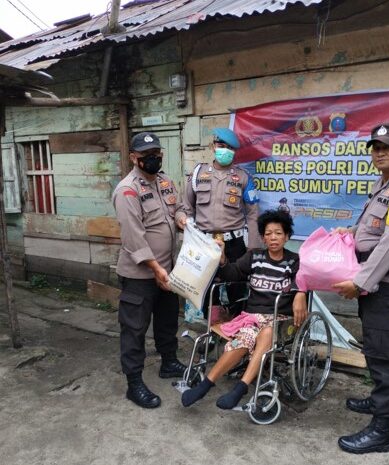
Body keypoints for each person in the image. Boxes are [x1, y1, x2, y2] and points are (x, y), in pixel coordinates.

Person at [332, 123, 389, 454]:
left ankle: (382, 432)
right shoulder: (383, 184)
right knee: (374, 349)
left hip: (386, 288)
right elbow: (373, 226)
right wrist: (352, 229)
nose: (380, 152)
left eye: (387, 146)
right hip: (376, 288)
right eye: (375, 147)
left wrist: (360, 283)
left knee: (386, 357)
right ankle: (377, 401)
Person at [181, 210, 308, 409]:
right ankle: (206, 385)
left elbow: (305, 280)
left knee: (267, 333)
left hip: (280, 318)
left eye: (278, 233)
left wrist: (300, 292)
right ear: (263, 238)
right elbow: (232, 274)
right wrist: (222, 258)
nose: (273, 238)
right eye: (268, 234)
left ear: (287, 236)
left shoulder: (295, 261)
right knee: (244, 339)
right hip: (252, 317)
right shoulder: (254, 256)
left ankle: (241, 387)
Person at [112, 131, 188, 409]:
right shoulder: (127, 190)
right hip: (140, 275)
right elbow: (133, 238)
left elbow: (178, 207)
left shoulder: (166, 181)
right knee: (134, 328)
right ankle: (134, 384)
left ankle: (168, 362)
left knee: (167, 320)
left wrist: (182, 219)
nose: (153, 159)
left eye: (156, 154)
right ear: (134, 158)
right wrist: (156, 268)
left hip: (167, 269)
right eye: (146, 156)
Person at [182, 127, 261, 318]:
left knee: (237, 288)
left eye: (229, 148)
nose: (224, 150)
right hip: (204, 243)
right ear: (213, 146)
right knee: (208, 289)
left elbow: (253, 214)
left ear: (234, 152)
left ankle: (236, 332)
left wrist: (253, 247)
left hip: (234, 244)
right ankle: (211, 331)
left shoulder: (243, 177)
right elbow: (187, 208)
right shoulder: (198, 174)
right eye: (220, 145)